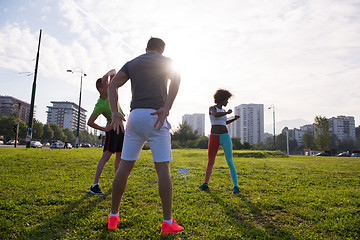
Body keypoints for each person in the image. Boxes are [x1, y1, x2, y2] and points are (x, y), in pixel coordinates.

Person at [107, 37, 184, 235]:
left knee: (124, 166)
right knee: (162, 168)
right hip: (156, 116)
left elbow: (112, 85)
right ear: (162, 50)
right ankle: (167, 222)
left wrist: (115, 112)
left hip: (135, 116)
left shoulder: (132, 63)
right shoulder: (167, 62)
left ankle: (113, 217)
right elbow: (176, 80)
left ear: (147, 48)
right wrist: (167, 107)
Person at [87, 69, 125, 195]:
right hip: (112, 131)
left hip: (121, 130)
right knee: (106, 157)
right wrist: (104, 129)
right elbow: (90, 122)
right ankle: (95, 185)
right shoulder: (101, 104)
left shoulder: (112, 93)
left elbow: (114, 71)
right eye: (107, 85)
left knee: (120, 156)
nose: (110, 86)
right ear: (100, 89)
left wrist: (107, 75)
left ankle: (117, 181)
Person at [199, 89, 240, 194]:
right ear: (222, 99)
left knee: (230, 161)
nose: (227, 102)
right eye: (226, 100)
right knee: (211, 161)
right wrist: (227, 112)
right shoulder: (212, 109)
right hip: (214, 137)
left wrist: (234, 119)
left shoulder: (222, 111)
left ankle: (236, 187)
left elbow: (223, 122)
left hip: (225, 136)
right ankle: (205, 184)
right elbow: (216, 115)